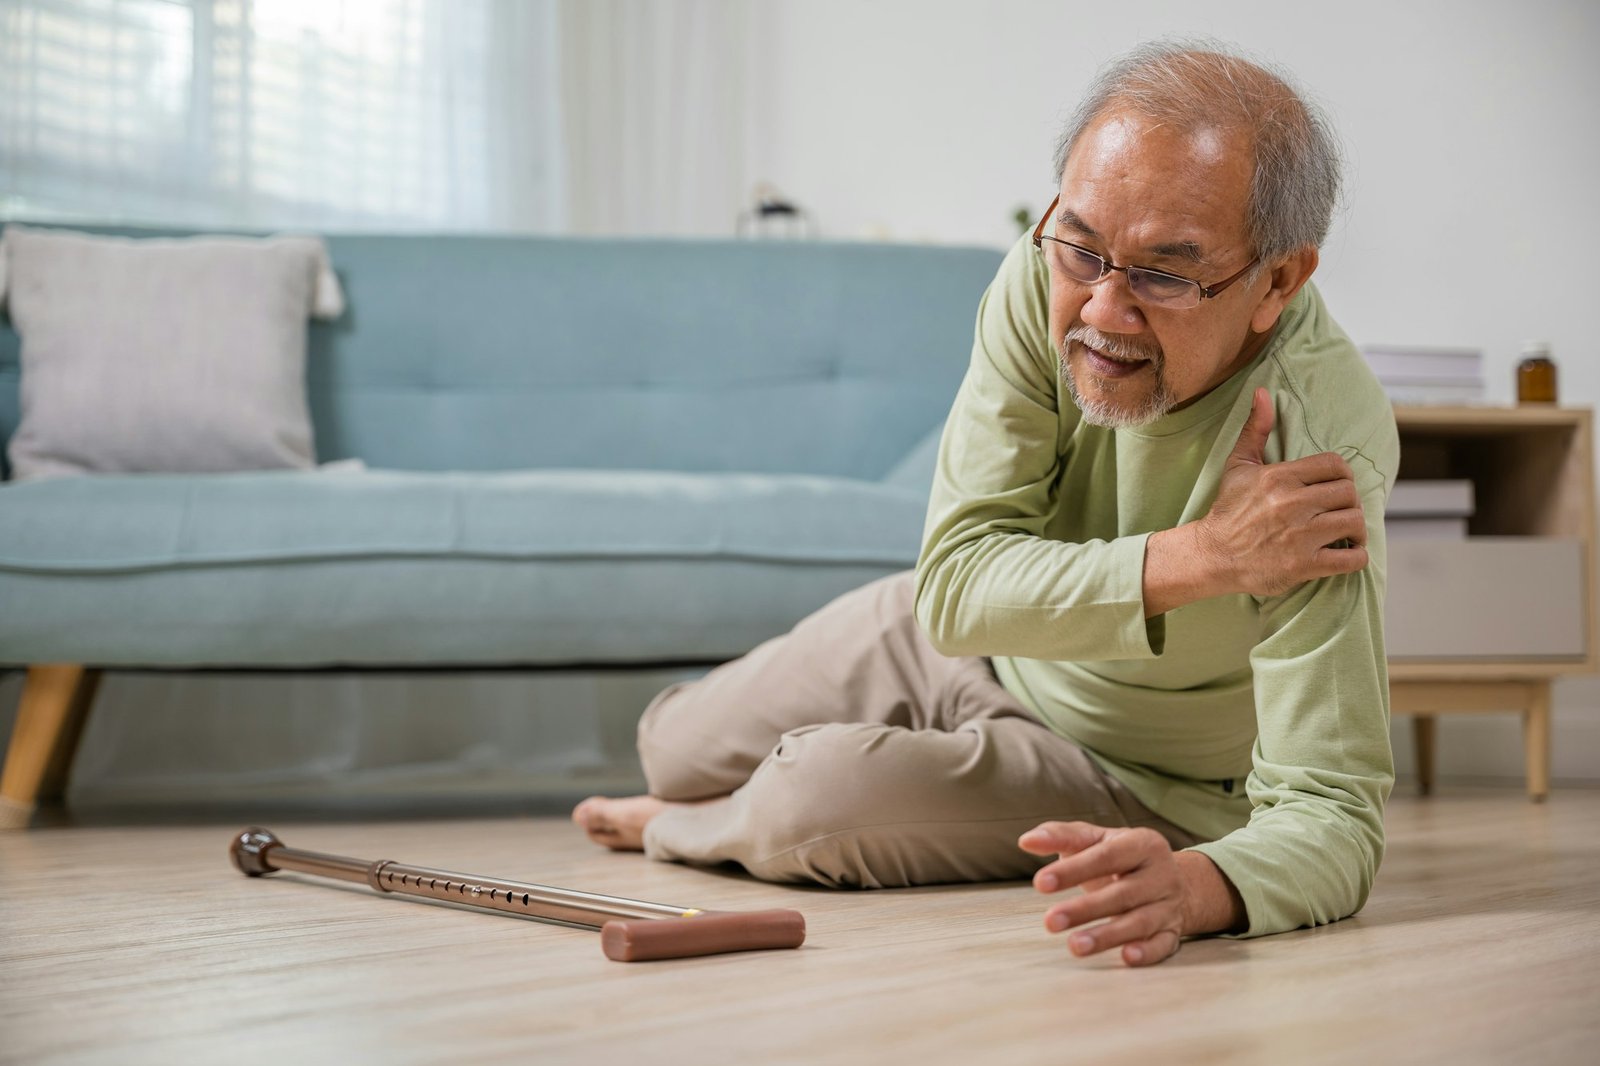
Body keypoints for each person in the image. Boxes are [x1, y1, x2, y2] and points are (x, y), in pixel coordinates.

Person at [573, 40, 1397, 968]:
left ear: (1278, 282)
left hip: (1138, 772)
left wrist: (1201, 887)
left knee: (803, 805)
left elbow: (1332, 807)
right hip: (972, 640)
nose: (1103, 312)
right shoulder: (1043, 275)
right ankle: (686, 799)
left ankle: (684, 829)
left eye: (1166, 274)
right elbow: (955, 589)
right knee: (670, 745)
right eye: (1082, 248)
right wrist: (1204, 557)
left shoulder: (1320, 447)